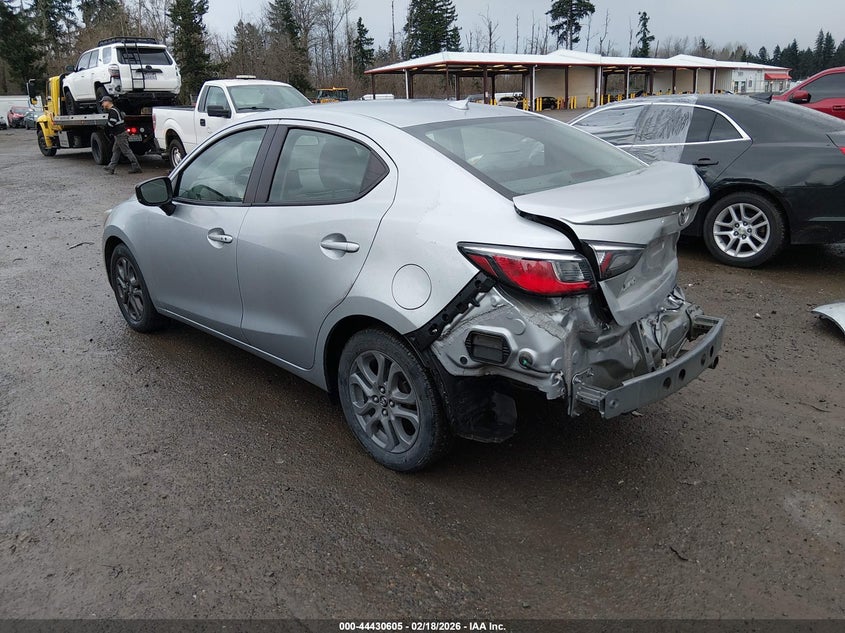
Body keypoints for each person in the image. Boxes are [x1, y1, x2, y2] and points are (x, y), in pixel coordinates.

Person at [100, 95, 142, 175]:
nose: (102, 104)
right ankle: (111, 167)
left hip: (120, 134)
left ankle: (136, 167)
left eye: (103, 102)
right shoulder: (114, 110)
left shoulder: (113, 111)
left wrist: (106, 127)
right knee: (116, 150)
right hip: (119, 134)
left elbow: (112, 123)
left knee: (126, 151)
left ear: (108, 102)